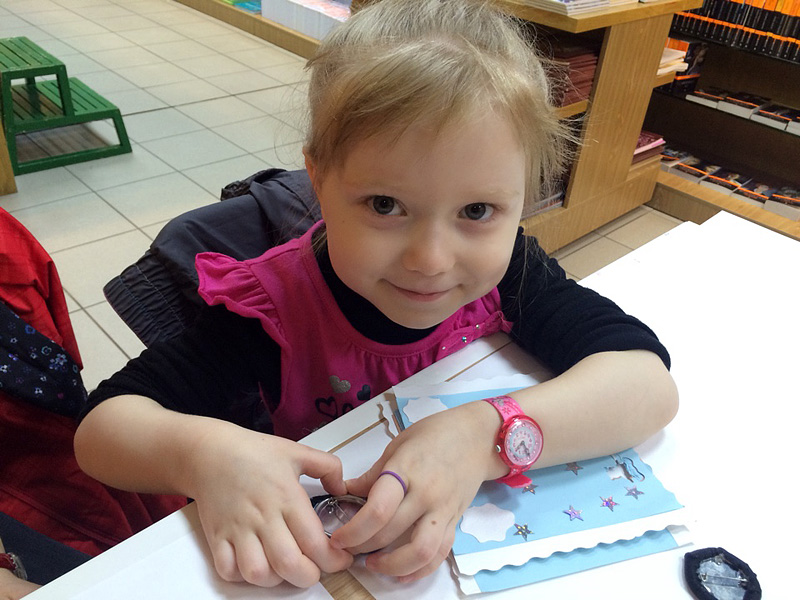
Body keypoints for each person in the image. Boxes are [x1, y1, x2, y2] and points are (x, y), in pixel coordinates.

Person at [74, 0, 678, 590]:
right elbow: (101, 429)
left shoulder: (513, 273)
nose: (431, 260)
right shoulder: (274, 309)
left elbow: (646, 385)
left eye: (476, 211)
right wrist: (207, 455)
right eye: (385, 205)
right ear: (319, 179)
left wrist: (482, 437)